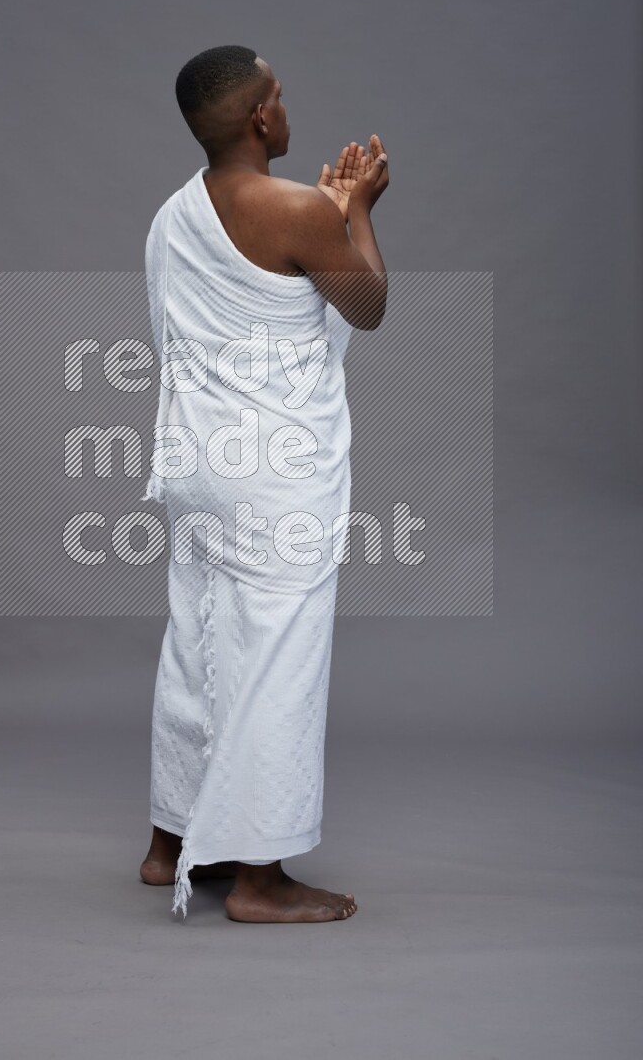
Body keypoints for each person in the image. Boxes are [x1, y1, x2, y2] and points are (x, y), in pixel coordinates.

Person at [139, 45, 388, 922]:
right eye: (277, 95)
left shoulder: (173, 215)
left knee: (197, 636)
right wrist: (357, 210)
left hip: (198, 464)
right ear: (258, 120)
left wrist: (334, 209)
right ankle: (257, 874)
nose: (285, 106)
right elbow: (366, 303)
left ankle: (170, 837)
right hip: (275, 477)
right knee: (277, 656)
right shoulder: (297, 210)